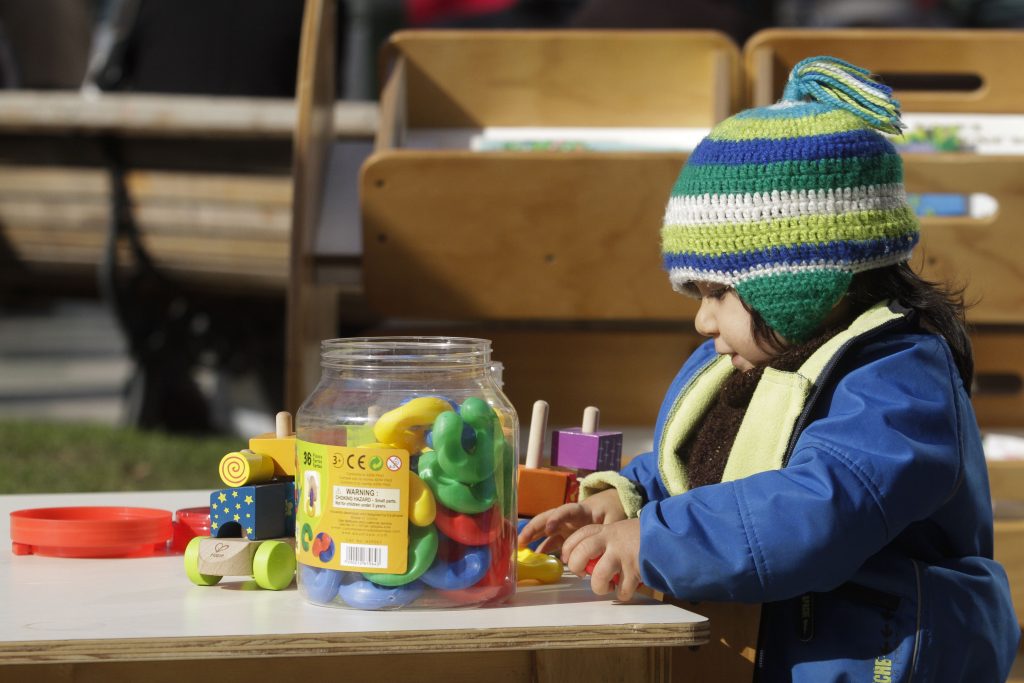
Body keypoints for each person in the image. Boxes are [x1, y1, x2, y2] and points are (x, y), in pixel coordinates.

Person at [518, 56, 1020, 681]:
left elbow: (818, 507)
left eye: (715, 293)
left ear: (799, 285)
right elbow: (701, 467)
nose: (702, 321)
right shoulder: (754, 356)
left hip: (877, 661)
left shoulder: (899, 380)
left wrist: (658, 539)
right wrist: (628, 499)